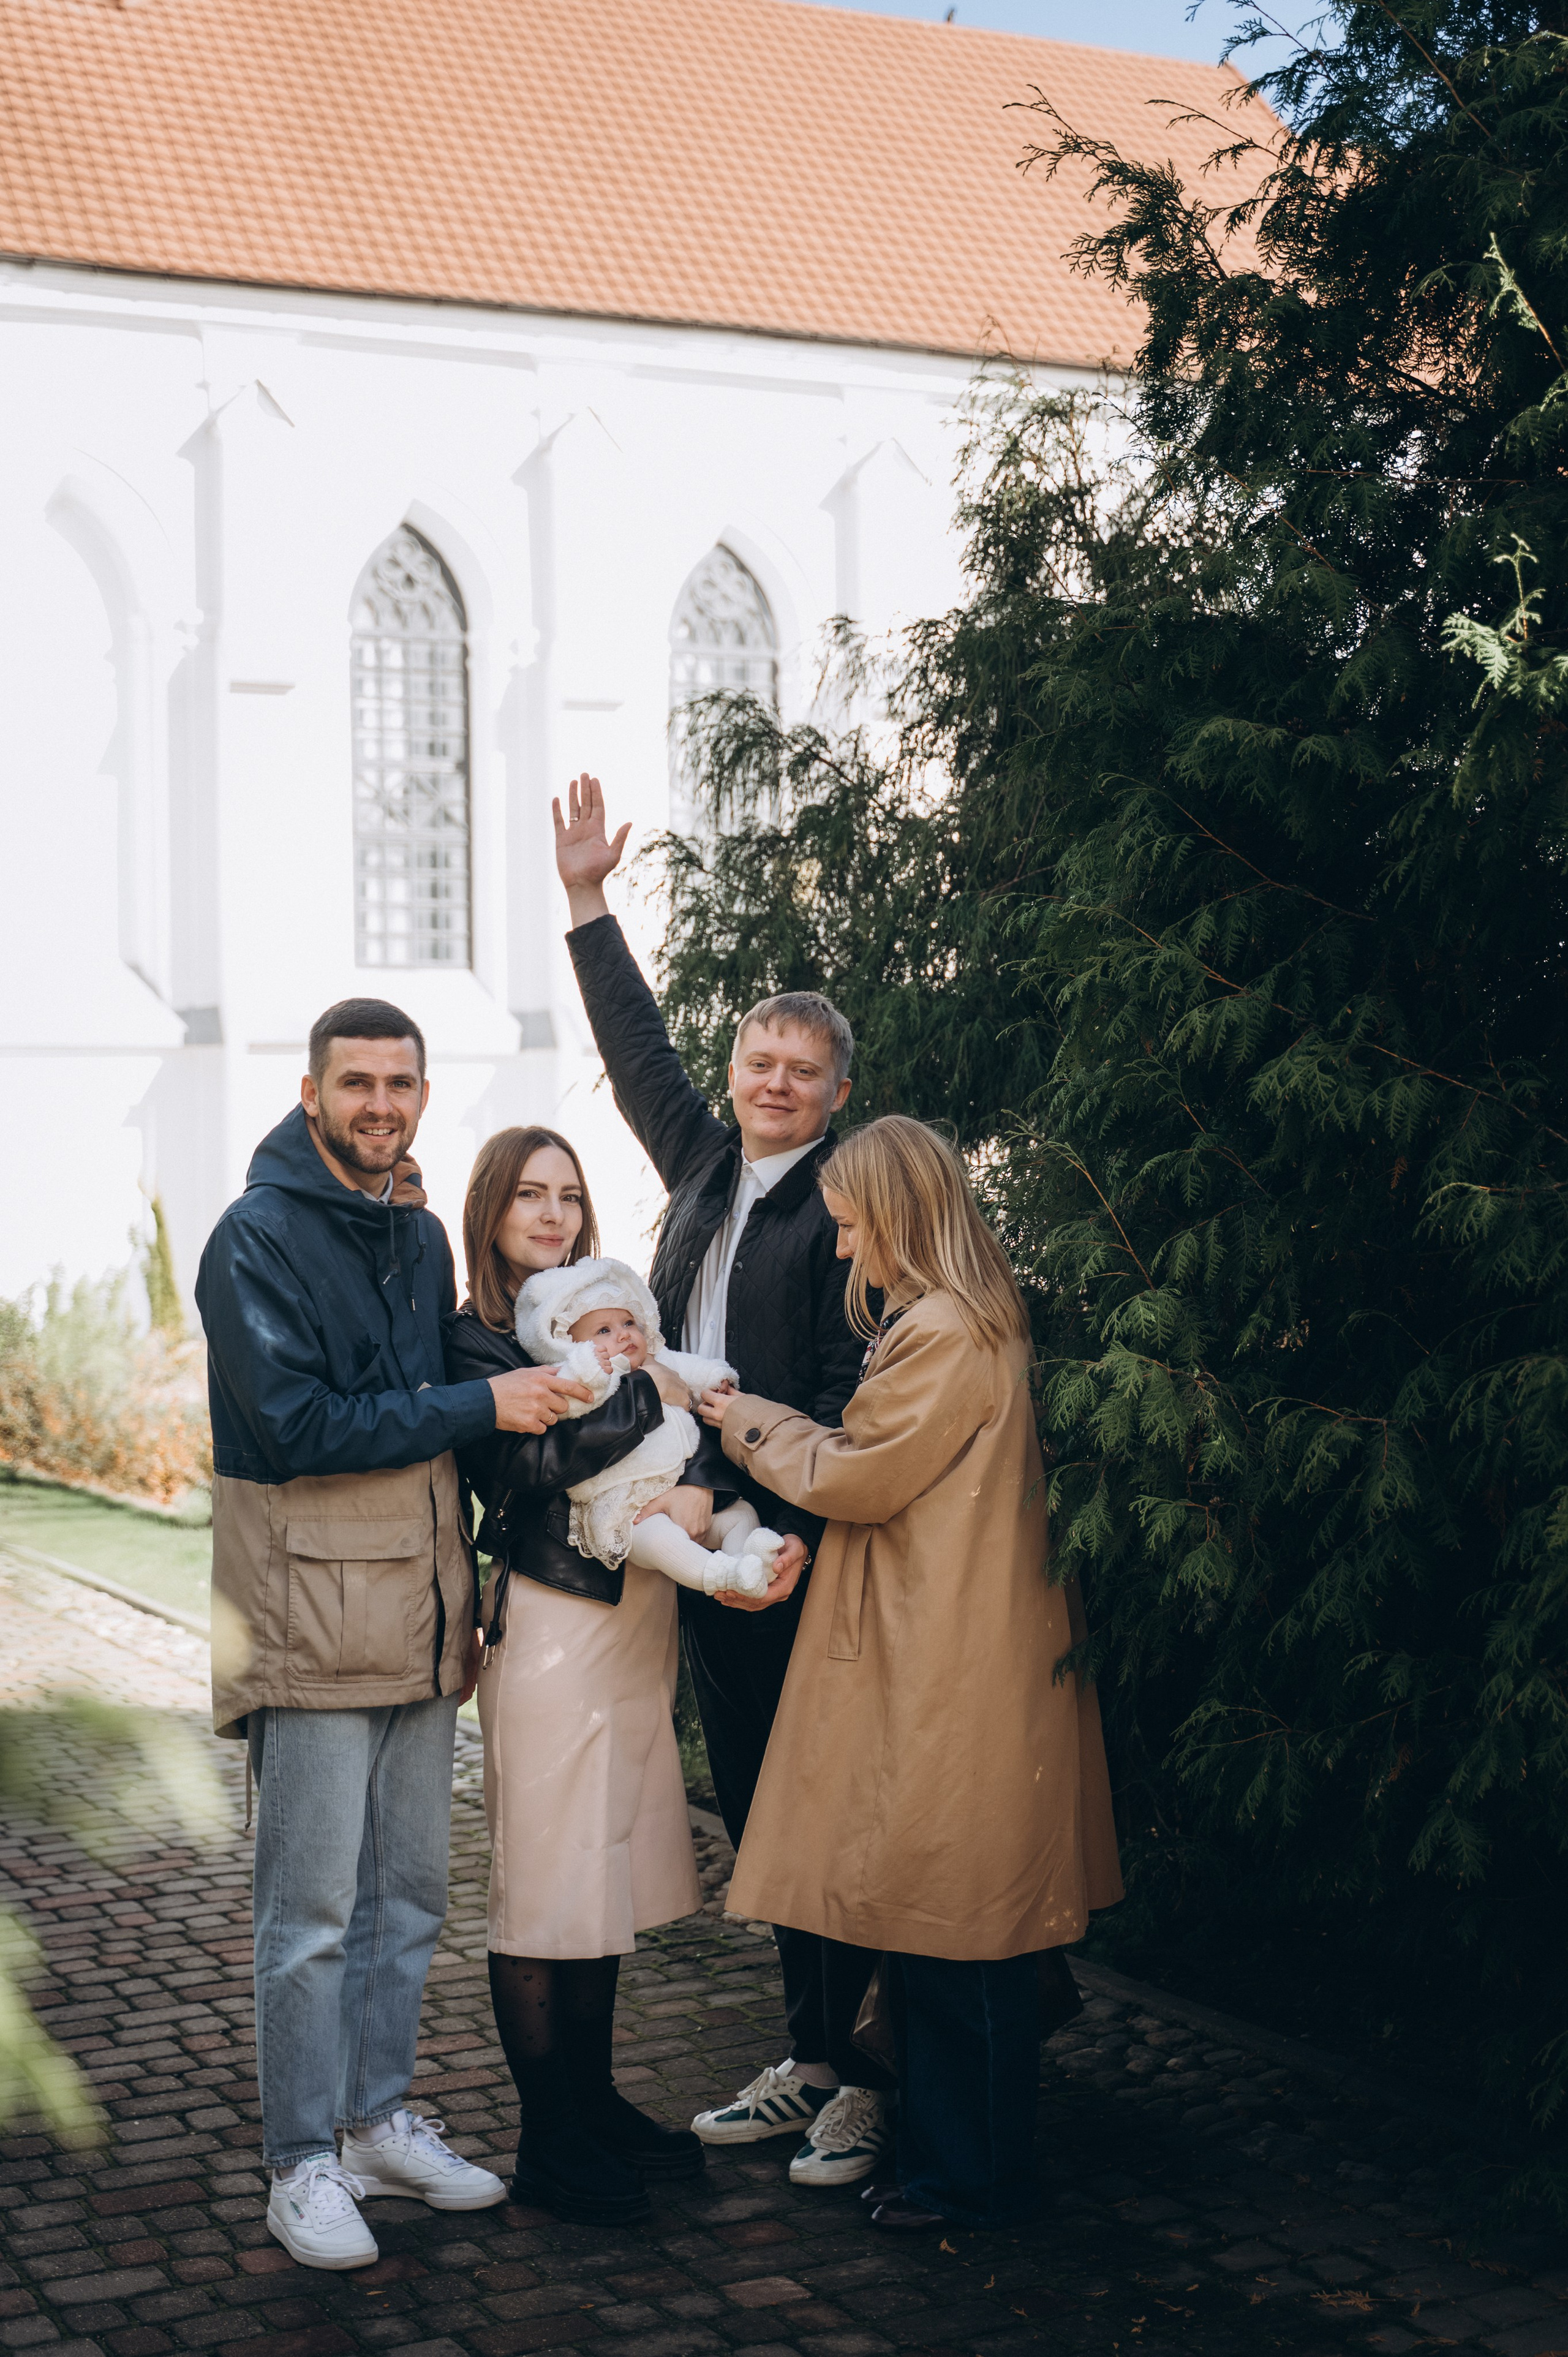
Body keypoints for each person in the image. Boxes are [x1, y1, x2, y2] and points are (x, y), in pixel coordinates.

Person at [196, 999, 594, 2272]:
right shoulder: (253, 1237)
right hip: (309, 1617)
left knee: (409, 1898)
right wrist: (482, 1398)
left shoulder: (418, 1236)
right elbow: (301, 1427)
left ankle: (373, 2123)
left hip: (423, 1622)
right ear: (310, 1094)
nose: (380, 1103)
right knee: (309, 1913)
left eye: (400, 1082)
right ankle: (298, 2159)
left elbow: (440, 1423)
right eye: (356, 1081)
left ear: (423, 1094)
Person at [556, 772, 897, 2190]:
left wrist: (767, 1515)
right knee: (758, 1813)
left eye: (800, 1070)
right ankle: (810, 2058)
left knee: (830, 1815)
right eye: (758, 1059)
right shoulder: (702, 1169)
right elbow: (636, 1050)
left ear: (835, 1094)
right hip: (702, 1548)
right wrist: (587, 902)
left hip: (792, 1553)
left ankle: (870, 2080)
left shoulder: (846, 1208)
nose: (773, 1082)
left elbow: (843, 1401)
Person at [698, 1115, 1125, 2232]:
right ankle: (947, 2166)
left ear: (896, 1217)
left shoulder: (940, 1329)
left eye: (850, 1227)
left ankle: (968, 2183)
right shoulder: (969, 1315)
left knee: (955, 1934)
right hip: (953, 1643)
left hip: (947, 1657)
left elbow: (861, 1475)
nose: (843, 1249)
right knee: (947, 1927)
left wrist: (745, 1419)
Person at [443, 1129, 733, 2225]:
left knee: (603, 1864)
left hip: (637, 1617)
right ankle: (549, 2135)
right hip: (555, 1618)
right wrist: (645, 1389)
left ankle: (594, 2100)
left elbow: (699, 1416)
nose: (553, 1213)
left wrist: (702, 1482)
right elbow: (524, 1463)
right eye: (530, 1193)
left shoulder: (615, 1314)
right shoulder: (473, 1339)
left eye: (569, 1194)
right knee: (546, 1875)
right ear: (492, 1207)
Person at [514, 1255, 783, 1595]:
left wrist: (715, 1379)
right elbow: (571, 1403)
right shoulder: (589, 1377)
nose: (624, 1335)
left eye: (628, 1322)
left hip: (681, 1483)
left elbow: (694, 1369)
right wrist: (587, 1368)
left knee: (741, 1514)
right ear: (573, 1347)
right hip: (628, 1504)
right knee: (657, 1539)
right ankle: (722, 1575)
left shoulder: (660, 1361)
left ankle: (750, 1564)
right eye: (604, 1331)